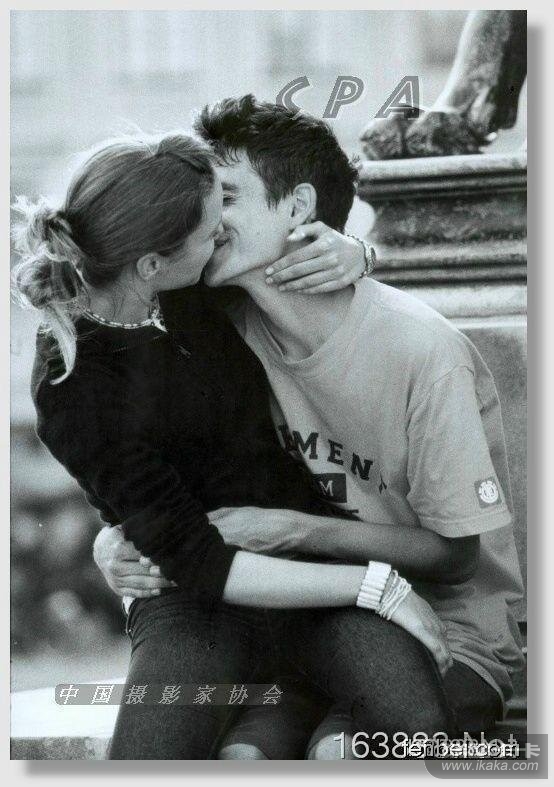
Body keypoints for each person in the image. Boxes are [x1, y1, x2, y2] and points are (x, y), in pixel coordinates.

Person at [96, 96, 525, 757]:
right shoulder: (216, 325)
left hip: (448, 633)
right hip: (301, 620)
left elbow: (457, 557)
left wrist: (293, 529)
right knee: (238, 757)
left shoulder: (422, 352)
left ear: (297, 207)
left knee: (338, 755)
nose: (202, 218)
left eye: (225, 197)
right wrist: (112, 542)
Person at [12, 131, 453, 760]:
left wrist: (359, 251)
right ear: (151, 264)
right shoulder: (73, 385)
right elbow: (202, 564)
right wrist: (377, 587)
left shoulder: (188, 283)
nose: (222, 233)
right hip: (191, 597)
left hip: (310, 569)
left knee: (425, 735)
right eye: (210, 228)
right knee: (148, 762)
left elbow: (302, 252)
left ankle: (291, 707)